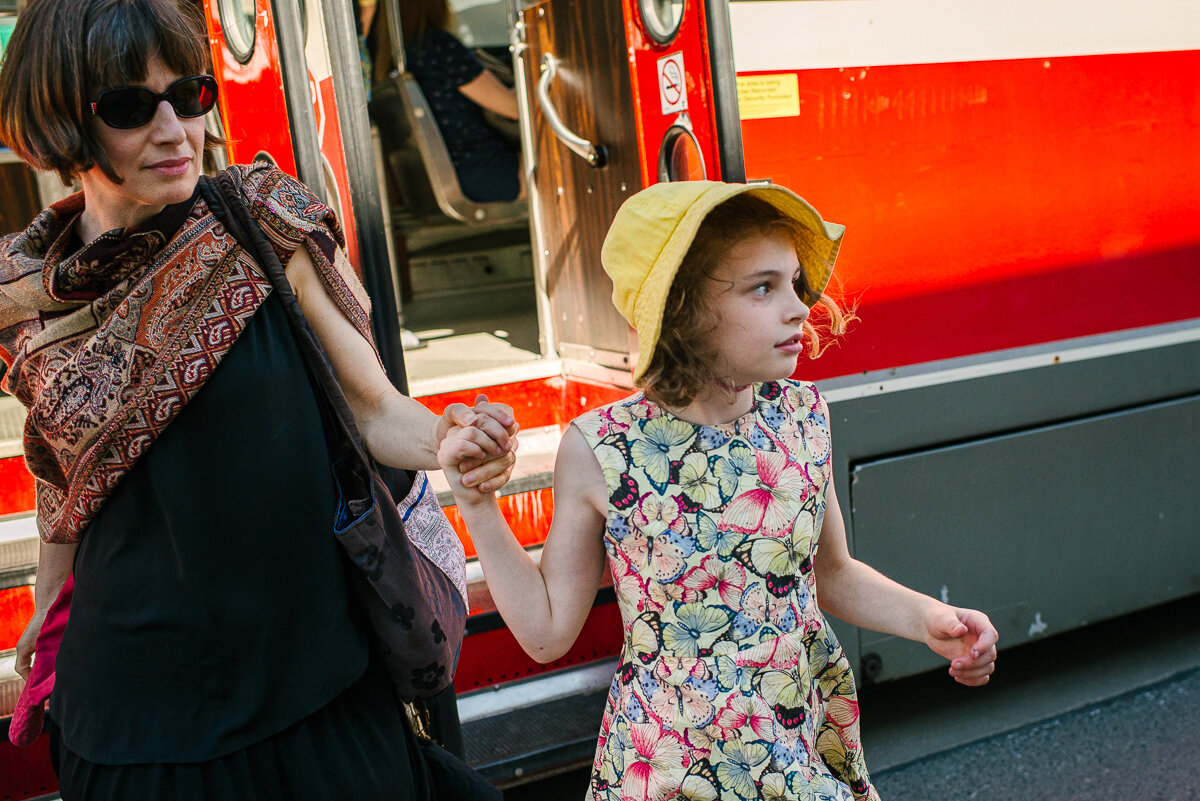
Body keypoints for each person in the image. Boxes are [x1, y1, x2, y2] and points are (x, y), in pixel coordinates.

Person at [0, 0, 516, 798]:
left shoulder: (260, 223)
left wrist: (449, 437)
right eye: (132, 108)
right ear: (63, 125)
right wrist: (45, 613)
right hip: (135, 729)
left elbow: (375, 410)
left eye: (191, 95)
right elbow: (70, 492)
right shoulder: (33, 302)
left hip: (313, 690)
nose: (175, 130)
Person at [438, 181, 1000, 800]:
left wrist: (927, 619)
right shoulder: (603, 446)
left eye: (795, 283)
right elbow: (547, 633)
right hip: (671, 767)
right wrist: (477, 504)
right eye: (763, 287)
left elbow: (830, 573)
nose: (797, 307)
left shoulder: (803, 416)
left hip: (793, 747)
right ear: (680, 311)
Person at [400, 0, 522, 203]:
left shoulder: (402, 54)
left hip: (450, 173)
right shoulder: (437, 46)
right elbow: (514, 108)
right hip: (484, 169)